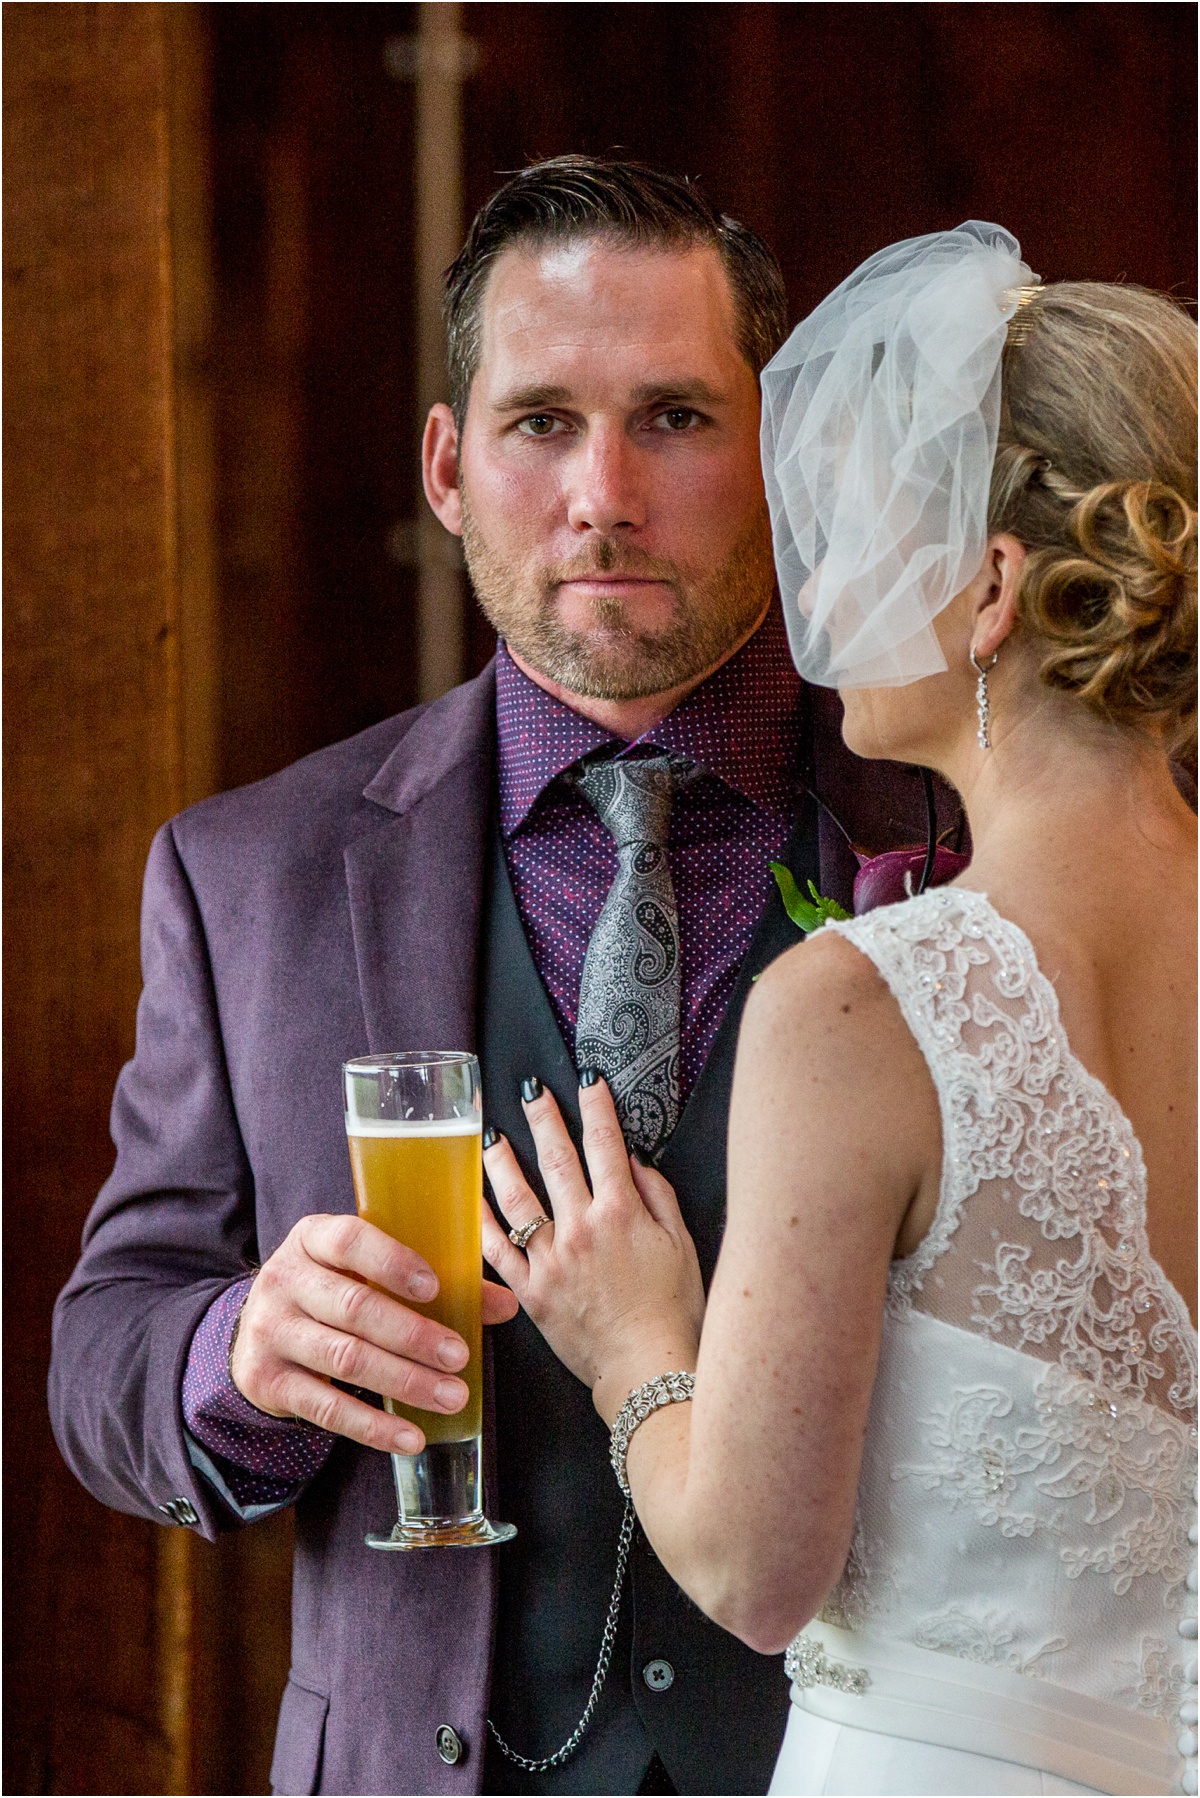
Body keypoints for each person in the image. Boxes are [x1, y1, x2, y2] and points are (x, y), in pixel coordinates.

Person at [48, 159, 940, 1798]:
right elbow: (104, 1346)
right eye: (541, 423)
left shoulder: (953, 835)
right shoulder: (243, 872)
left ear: (779, 454)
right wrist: (237, 1351)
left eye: (675, 417)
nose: (604, 491)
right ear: (450, 468)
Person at [477, 224, 1199, 1796]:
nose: (825, 572)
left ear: (995, 588)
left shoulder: (868, 1003)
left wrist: (635, 1345)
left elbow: (751, 1567)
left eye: (879, 523)